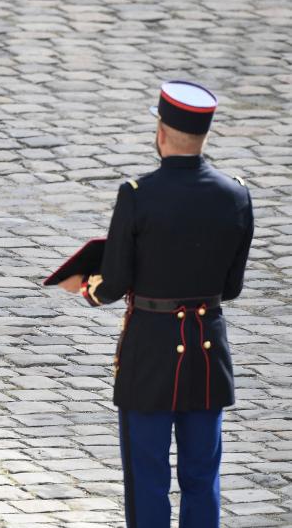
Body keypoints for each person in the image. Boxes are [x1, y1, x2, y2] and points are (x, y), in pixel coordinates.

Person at [57, 81, 254, 528]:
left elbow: (115, 282)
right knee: (202, 474)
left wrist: (84, 287)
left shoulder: (137, 194)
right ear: (203, 135)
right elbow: (231, 287)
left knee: (147, 476)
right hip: (206, 352)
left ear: (161, 133)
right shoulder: (237, 195)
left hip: (149, 352)